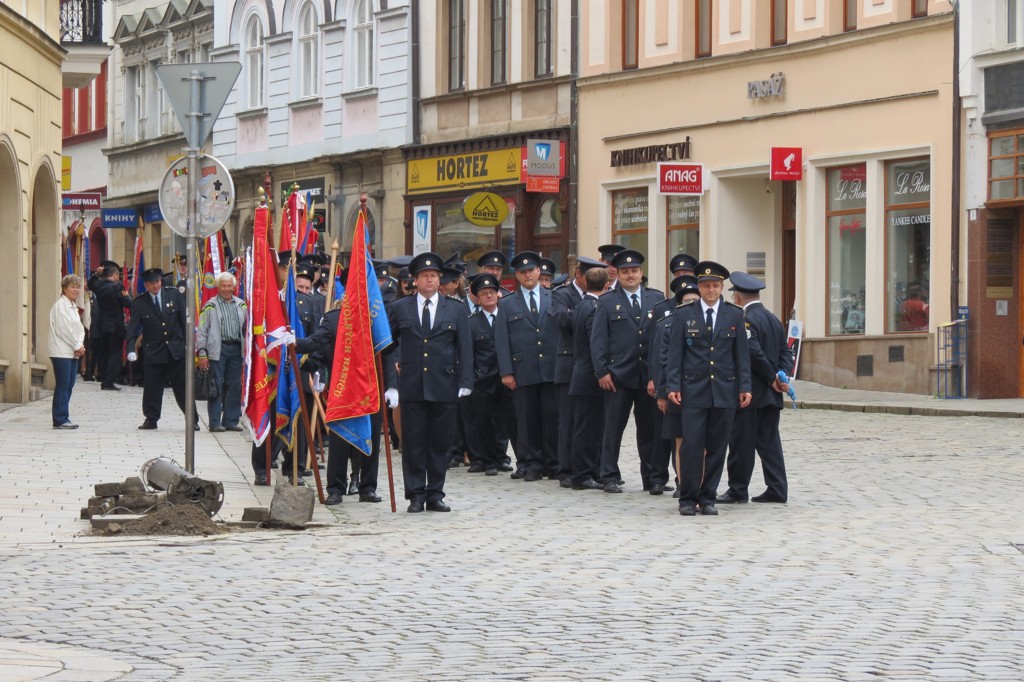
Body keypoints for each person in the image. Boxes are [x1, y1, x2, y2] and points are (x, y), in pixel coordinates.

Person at [383, 252, 473, 513]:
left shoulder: (455, 309)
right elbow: (388, 346)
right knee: (413, 442)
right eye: (425, 276)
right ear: (416, 280)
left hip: (444, 384)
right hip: (411, 385)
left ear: (440, 279)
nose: (430, 280)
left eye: (433, 275)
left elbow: (465, 347)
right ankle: (415, 495)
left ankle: (435, 493)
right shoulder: (400, 308)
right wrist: (392, 383)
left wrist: (466, 380)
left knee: (440, 442)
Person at [666, 261, 752, 517]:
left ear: (722, 287)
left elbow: (742, 355)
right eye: (706, 285)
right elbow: (675, 354)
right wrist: (673, 384)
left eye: (715, 285)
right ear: (699, 287)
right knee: (692, 445)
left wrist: (744, 386)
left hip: (724, 389)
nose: (711, 290)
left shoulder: (734, 314)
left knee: (718, 445)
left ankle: (708, 497)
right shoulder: (683, 314)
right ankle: (687, 497)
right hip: (692, 389)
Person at [590, 249, 667, 494]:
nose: (630, 275)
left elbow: (662, 339)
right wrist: (602, 371)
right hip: (618, 375)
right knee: (612, 428)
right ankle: (609, 475)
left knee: (650, 430)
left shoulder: (657, 299)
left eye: (634, 271)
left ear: (641, 273)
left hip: (648, 377)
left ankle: (653, 478)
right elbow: (598, 340)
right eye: (625, 271)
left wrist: (659, 374)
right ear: (618, 275)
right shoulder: (606, 301)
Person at [719, 272, 793, 505]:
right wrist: (783, 376)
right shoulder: (772, 318)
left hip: (750, 392)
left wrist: (773, 377)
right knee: (770, 442)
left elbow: (753, 351)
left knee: (741, 443)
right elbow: (786, 351)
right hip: (770, 394)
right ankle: (777, 488)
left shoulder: (746, 319)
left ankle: (738, 490)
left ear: (738, 296)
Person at [494, 251, 560, 481]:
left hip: (551, 368)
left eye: (531, 270)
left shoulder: (554, 297)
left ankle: (553, 462)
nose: (527, 274)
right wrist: (506, 371)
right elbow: (501, 340)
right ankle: (531, 462)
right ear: (517, 276)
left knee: (552, 417)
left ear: (539, 271)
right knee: (527, 418)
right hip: (523, 370)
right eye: (522, 272)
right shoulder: (507, 303)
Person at [550, 256, 605, 487]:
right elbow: (562, 320)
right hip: (570, 365)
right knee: (570, 421)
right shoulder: (562, 294)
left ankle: (593, 468)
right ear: (579, 275)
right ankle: (568, 470)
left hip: (586, 367)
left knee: (591, 423)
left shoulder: (591, 303)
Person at [126, 268, 196, 431]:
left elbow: (184, 323)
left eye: (157, 282)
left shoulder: (173, 295)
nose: (156, 286)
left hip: (176, 350)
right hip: (154, 351)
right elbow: (133, 328)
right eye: (152, 283)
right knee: (152, 388)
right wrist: (130, 348)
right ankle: (151, 419)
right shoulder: (140, 303)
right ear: (146, 285)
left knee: (182, 387)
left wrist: (189, 346)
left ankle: (193, 419)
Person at [467, 274, 515, 475]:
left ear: (499, 294)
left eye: (491, 293)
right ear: (477, 298)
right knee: (484, 420)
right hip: (483, 378)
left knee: (504, 420)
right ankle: (487, 460)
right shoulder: (471, 322)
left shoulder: (508, 317)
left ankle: (501, 456)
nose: (488, 296)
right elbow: (468, 352)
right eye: (483, 294)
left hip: (505, 376)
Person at [568, 266, 610, 489]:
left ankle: (591, 470)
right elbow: (597, 343)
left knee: (589, 427)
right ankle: (583, 474)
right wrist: (601, 371)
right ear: (607, 285)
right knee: (588, 429)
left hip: (582, 373)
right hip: (589, 377)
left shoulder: (582, 304)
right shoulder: (594, 308)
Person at [197, 272, 247, 433]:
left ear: (234, 287)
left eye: (229, 286)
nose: (226, 289)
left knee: (235, 385)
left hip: (237, 349)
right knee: (216, 386)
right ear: (218, 287)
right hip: (217, 350)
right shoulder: (209, 305)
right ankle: (215, 422)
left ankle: (231, 421)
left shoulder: (241, 305)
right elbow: (202, 331)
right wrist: (202, 354)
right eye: (223, 286)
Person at [49, 274, 86, 429]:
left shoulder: (73, 307)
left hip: (72, 351)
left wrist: (80, 345)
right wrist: (77, 345)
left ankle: (63, 416)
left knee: (69, 385)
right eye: (72, 287)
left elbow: (79, 329)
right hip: (61, 351)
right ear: (64, 289)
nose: (76, 290)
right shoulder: (60, 306)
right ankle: (60, 419)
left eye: (78, 287)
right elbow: (63, 329)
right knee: (63, 385)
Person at [87, 261, 131, 391]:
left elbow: (90, 283)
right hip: (115, 326)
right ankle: (108, 381)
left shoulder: (99, 286)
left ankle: (102, 377)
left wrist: (96, 274)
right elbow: (127, 302)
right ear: (116, 275)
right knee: (114, 354)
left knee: (104, 353)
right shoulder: (117, 288)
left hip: (102, 326)